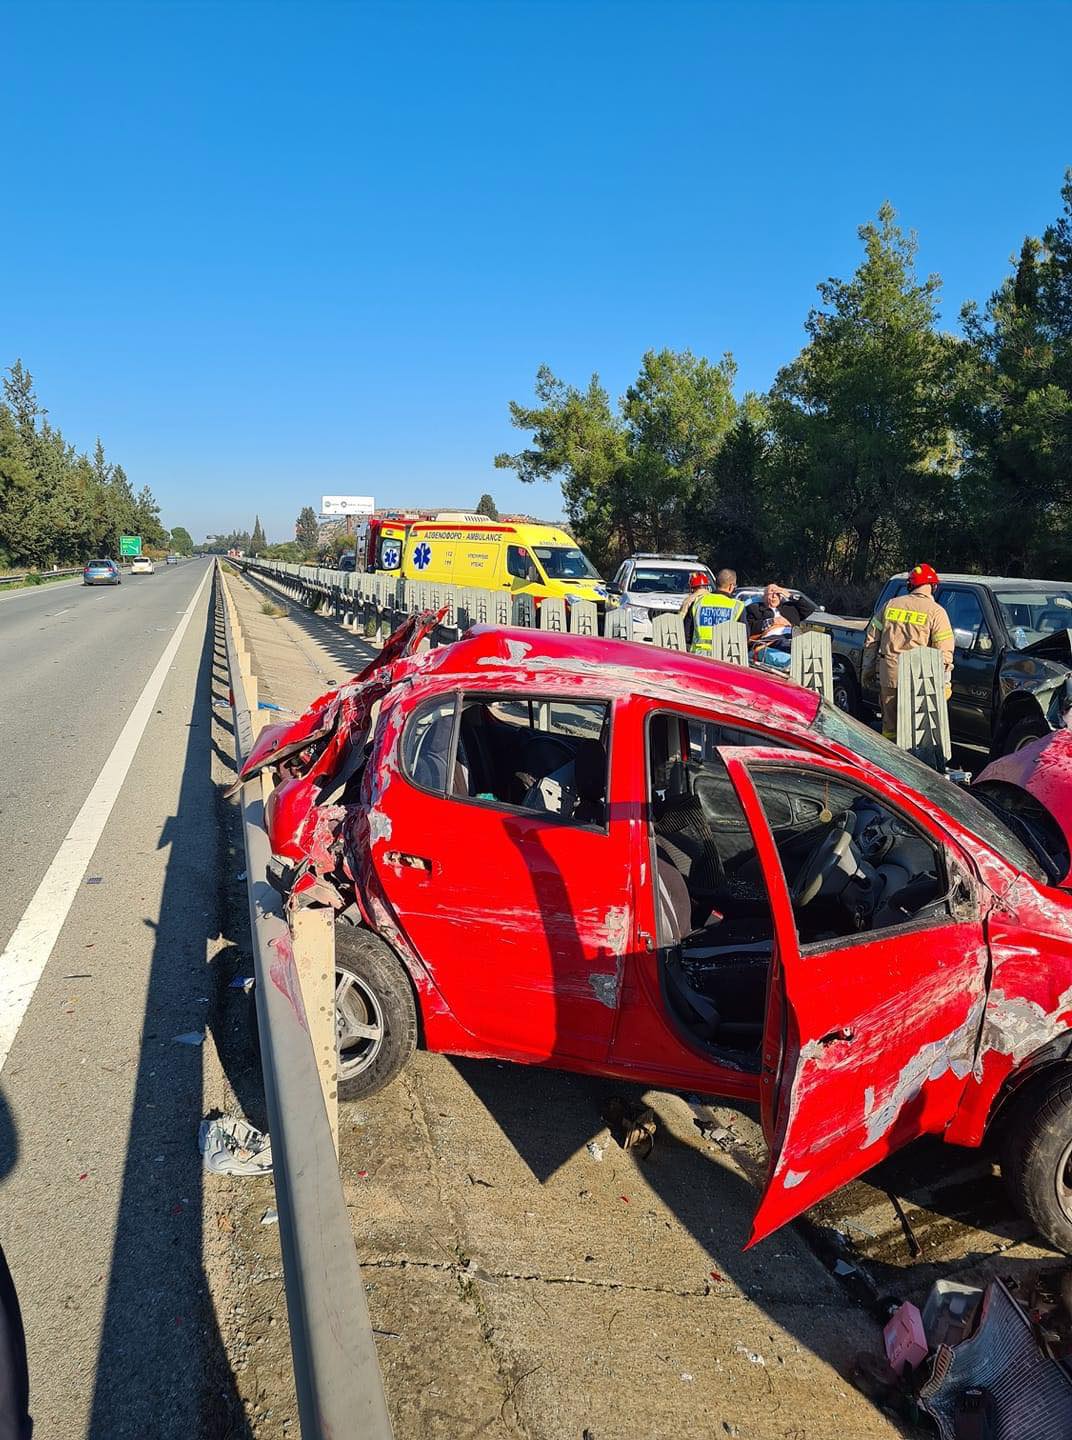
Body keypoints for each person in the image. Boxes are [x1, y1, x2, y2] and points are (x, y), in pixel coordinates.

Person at [861, 562, 954, 742]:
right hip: (920, 681)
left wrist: (868, 670)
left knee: (890, 726)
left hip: (890, 675)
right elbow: (944, 653)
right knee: (917, 728)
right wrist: (945, 682)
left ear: (910, 585)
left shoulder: (890, 605)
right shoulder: (937, 613)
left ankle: (889, 759)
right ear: (933, 587)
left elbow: (871, 641)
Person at [744, 583, 816, 670]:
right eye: (771, 593)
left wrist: (790, 595)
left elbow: (810, 609)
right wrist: (772, 621)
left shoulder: (789, 608)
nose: (774, 596)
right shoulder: (754, 609)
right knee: (784, 644)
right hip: (771, 640)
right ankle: (801, 658)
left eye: (777, 593)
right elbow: (749, 628)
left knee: (809, 645)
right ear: (764, 597)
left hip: (793, 636)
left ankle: (811, 656)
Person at [679, 568, 744, 655]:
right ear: (731, 586)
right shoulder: (737, 606)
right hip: (724, 657)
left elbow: (686, 634)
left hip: (698, 656)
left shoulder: (698, 602)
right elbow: (743, 637)